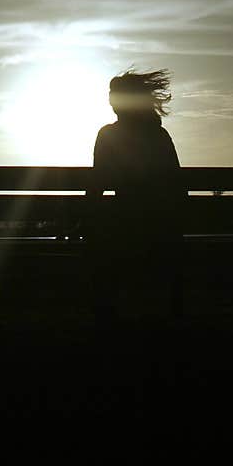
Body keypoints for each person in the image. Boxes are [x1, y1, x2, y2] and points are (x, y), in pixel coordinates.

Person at [87, 69, 184, 321]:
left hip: (126, 222)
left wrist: (87, 218)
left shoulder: (108, 134)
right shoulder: (158, 135)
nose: (110, 101)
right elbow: (176, 181)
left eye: (114, 96)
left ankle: (109, 319)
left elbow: (98, 183)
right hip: (162, 223)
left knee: (107, 257)